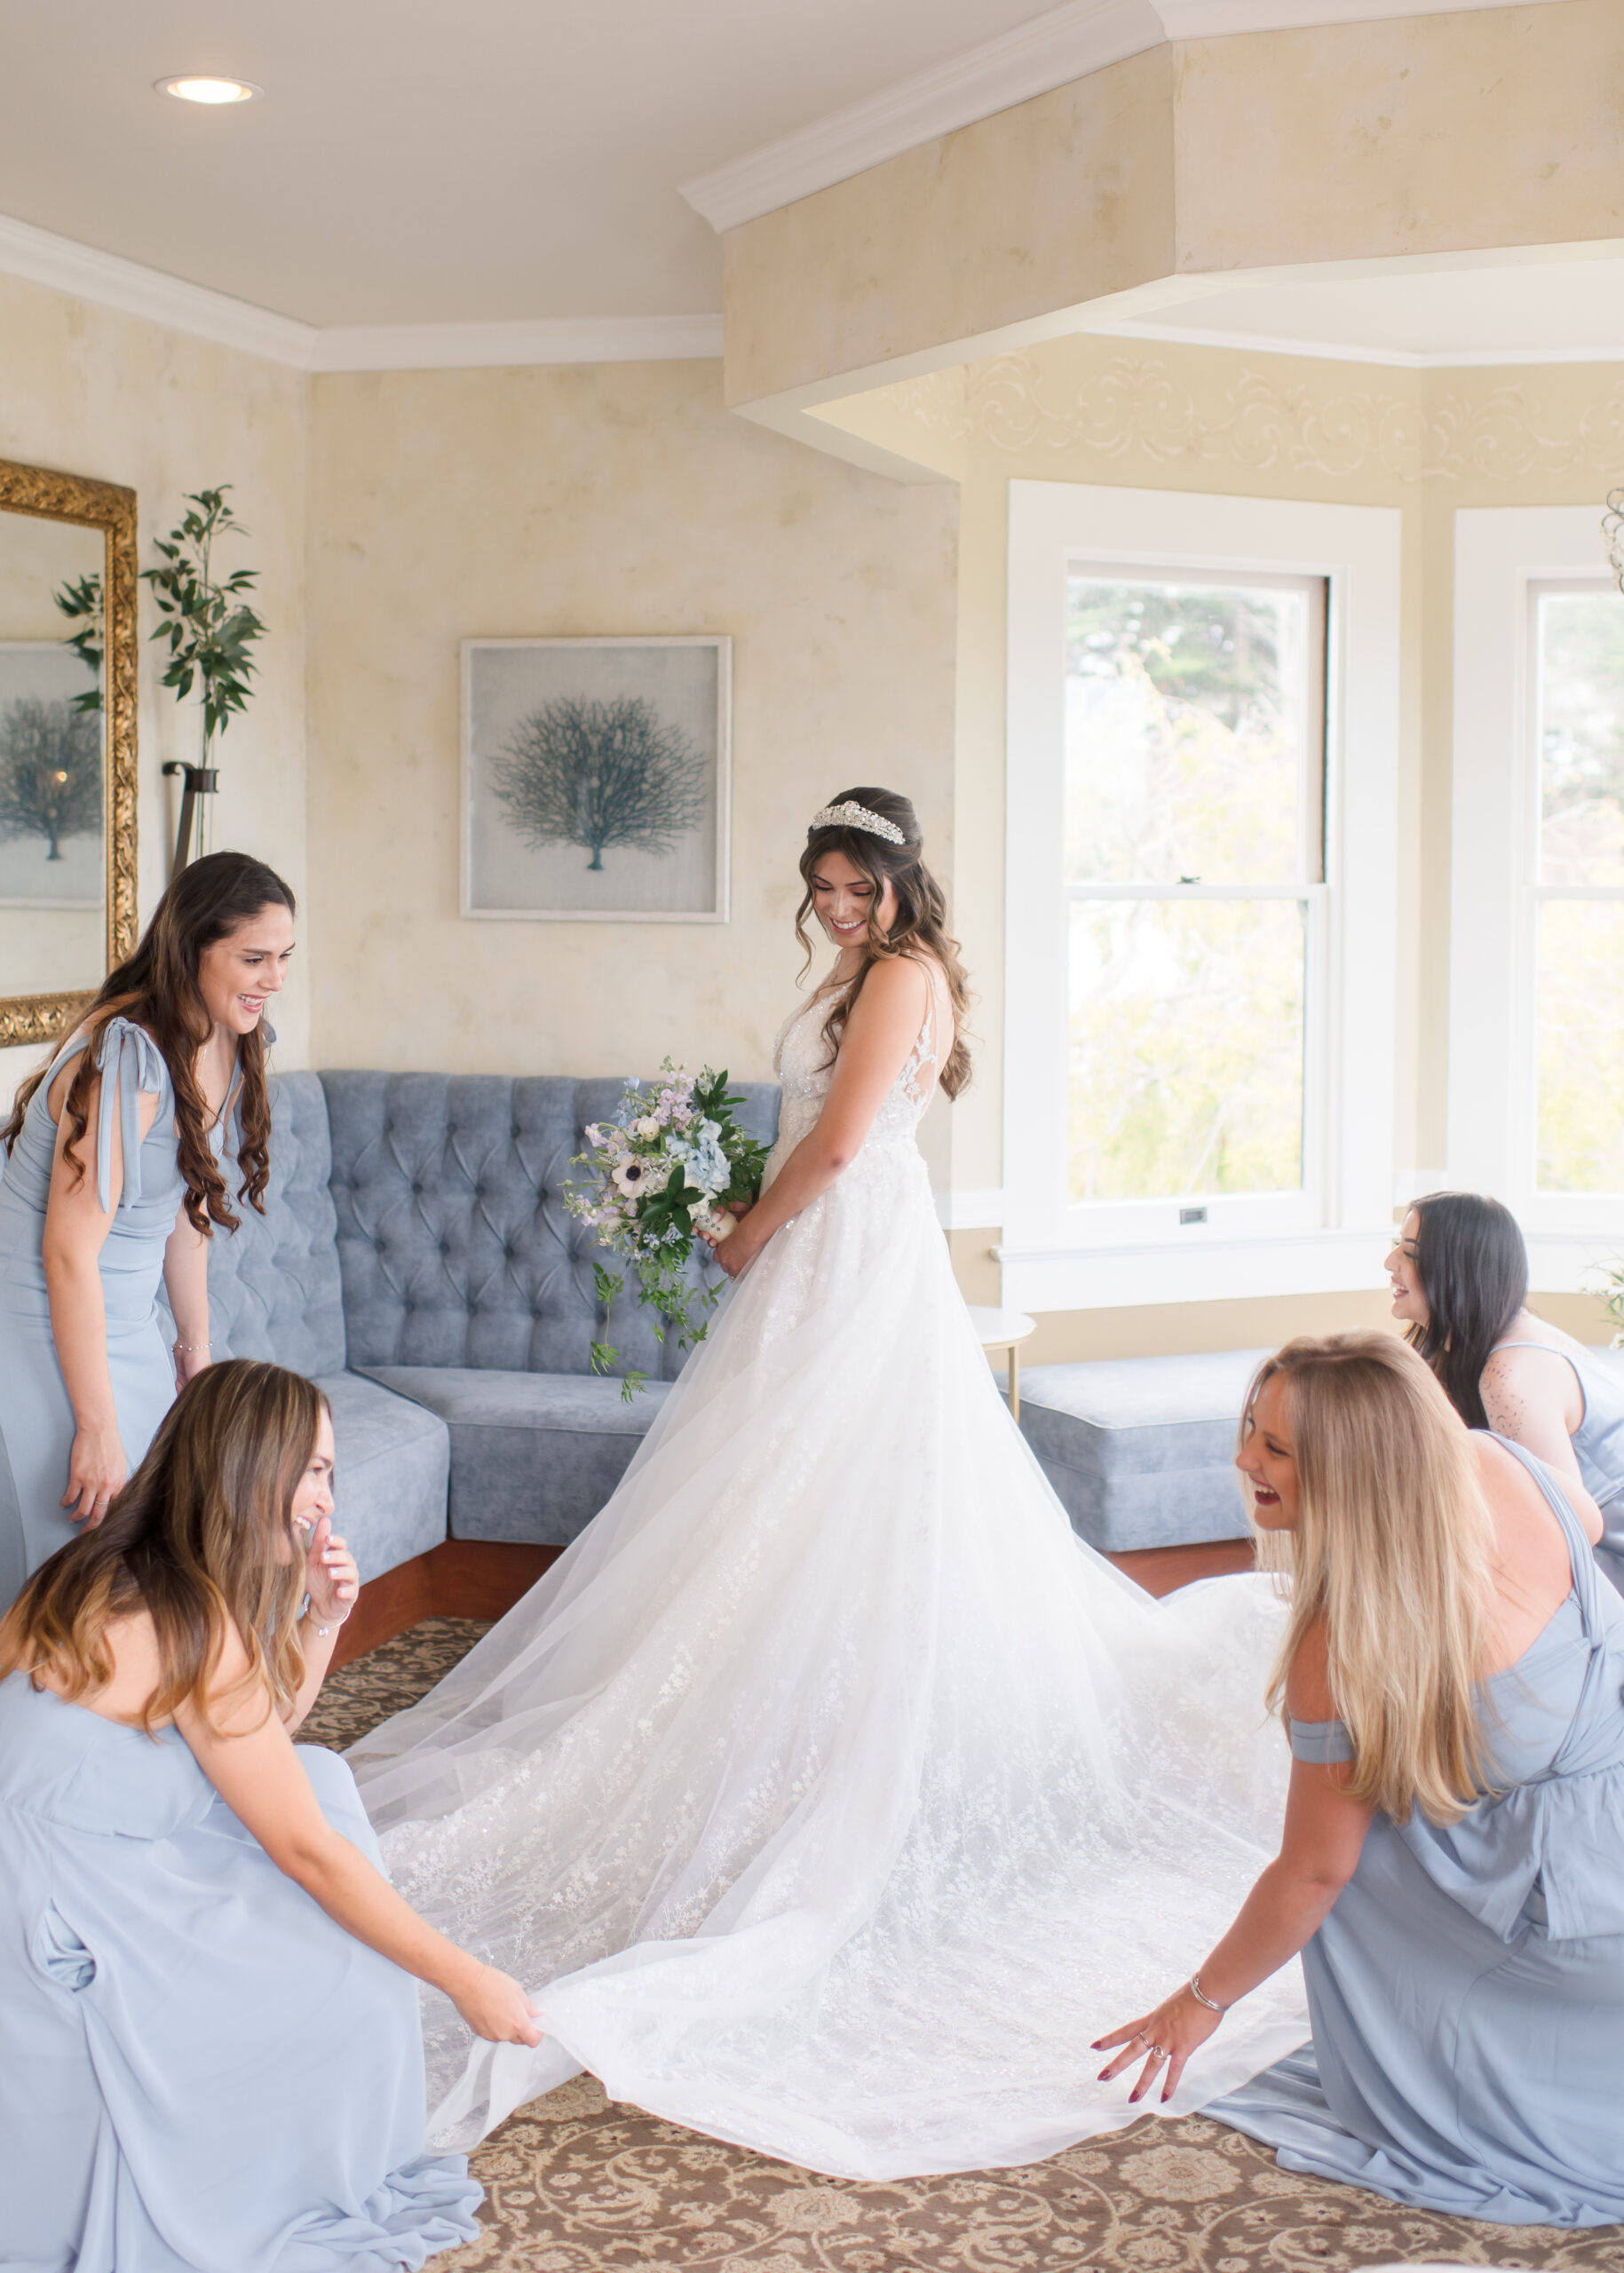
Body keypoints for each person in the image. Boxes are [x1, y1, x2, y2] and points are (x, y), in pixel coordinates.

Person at [347, 788, 1309, 2182]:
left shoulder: (901, 976)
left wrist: (744, 1234)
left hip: (848, 1258)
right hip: (835, 1256)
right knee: (766, 1499)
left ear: (900, 881)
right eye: (822, 890)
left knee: (836, 1488)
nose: (837, 909)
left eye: (855, 886)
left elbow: (846, 1143)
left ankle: (848, 1722)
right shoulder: (866, 974)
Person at [0, 1358, 540, 2272]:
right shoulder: (191, 1617)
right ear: (252, 1467)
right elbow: (303, 1849)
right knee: (342, 1949)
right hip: (58, 1909)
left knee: (319, 1777)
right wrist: (463, 1977)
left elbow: (258, 1738)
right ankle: (290, 2154)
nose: (328, 1494)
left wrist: (322, 1619)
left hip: (45, 1855)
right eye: (317, 1469)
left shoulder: (99, 1567)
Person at [1096, 1331, 1624, 2228]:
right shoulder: (1501, 1461)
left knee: (1356, 1844)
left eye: (1274, 1448)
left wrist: (1198, 2003)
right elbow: (1588, 1528)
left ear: (1354, 1469)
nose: (1242, 1460)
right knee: (1406, 1787)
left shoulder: (1340, 1645)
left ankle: (1472, 2043)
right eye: (1248, 1430)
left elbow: (1311, 1874)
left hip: (1584, 1925)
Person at [0, 850, 296, 1610]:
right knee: (80, 1573)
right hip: (37, 1324)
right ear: (193, 947)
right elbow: (66, 1257)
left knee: (161, 1559)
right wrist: (94, 1424)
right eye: (254, 958)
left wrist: (194, 1360)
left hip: (123, 1324)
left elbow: (183, 1218)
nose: (274, 979)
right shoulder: (128, 1060)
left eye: (285, 958)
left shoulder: (226, 1041)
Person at [1387, 1190, 1624, 1590]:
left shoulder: (1508, 1375)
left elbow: (1562, 1536)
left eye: (1410, 1253)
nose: (1390, 1263)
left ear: (1456, 1269)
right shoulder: (1495, 1337)